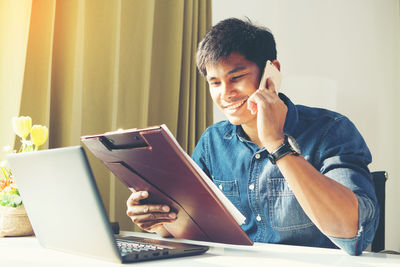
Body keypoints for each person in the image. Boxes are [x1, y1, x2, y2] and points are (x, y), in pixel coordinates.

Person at [126, 18, 379, 256]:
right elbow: (196, 227)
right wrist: (158, 221)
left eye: (236, 77)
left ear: (271, 73)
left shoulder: (331, 131)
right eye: (215, 83)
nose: (226, 94)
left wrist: (277, 145)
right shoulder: (212, 142)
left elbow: (353, 233)